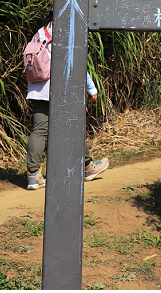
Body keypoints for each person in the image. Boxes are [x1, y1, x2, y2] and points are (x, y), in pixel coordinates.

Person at [26, 12, 109, 190]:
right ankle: (88, 166)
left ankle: (33, 176)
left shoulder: (40, 33)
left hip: (37, 88)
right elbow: (76, 63)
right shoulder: (65, 31)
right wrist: (91, 89)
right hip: (60, 89)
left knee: (39, 130)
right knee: (73, 125)